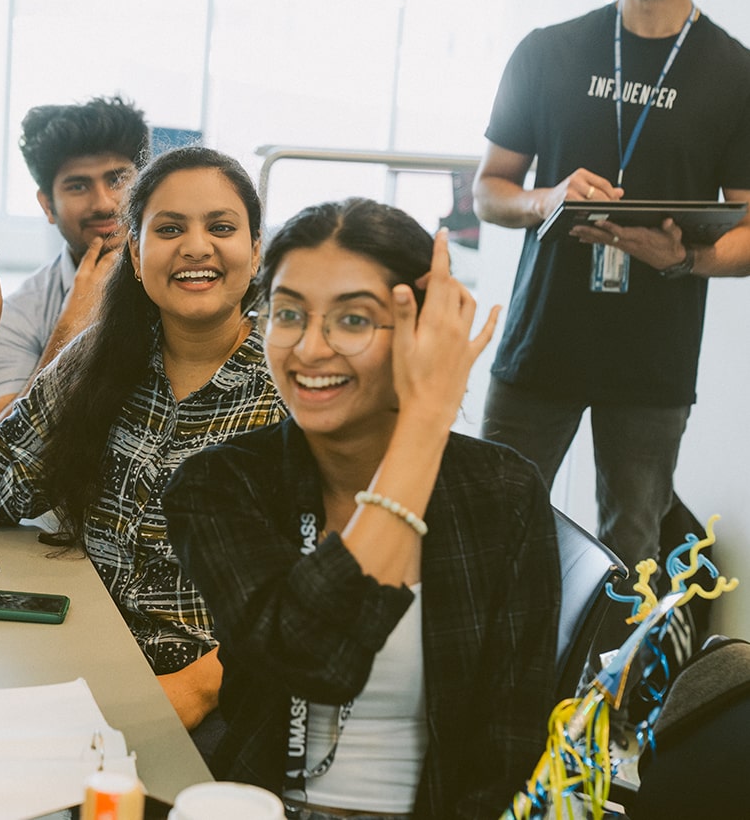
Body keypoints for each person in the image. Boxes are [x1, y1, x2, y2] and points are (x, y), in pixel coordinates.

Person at [163, 199, 561, 820]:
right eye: (288, 313)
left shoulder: (503, 493)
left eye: (353, 320)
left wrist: (426, 421)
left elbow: (509, 747)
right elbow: (314, 656)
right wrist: (426, 422)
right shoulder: (222, 483)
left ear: (422, 332)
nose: (310, 348)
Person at [0, 146, 286, 747]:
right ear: (137, 257)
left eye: (221, 227)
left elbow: (325, 585)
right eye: (169, 229)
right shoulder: (100, 359)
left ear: (255, 252)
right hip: (87, 661)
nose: (196, 246)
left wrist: (196, 688)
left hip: (226, 695)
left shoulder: (293, 384)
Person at [472, 0, 750, 600]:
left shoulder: (736, 75)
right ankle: (481, 699)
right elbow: (490, 190)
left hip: (652, 360)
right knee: (486, 529)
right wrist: (547, 201)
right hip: (541, 344)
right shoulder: (548, 50)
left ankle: (609, 707)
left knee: (632, 556)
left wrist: (683, 259)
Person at [0, 94, 150, 419]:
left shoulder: (193, 278)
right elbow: (3, 448)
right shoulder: (19, 315)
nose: (104, 203)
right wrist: (71, 325)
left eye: (118, 180)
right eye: (78, 186)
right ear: (48, 205)